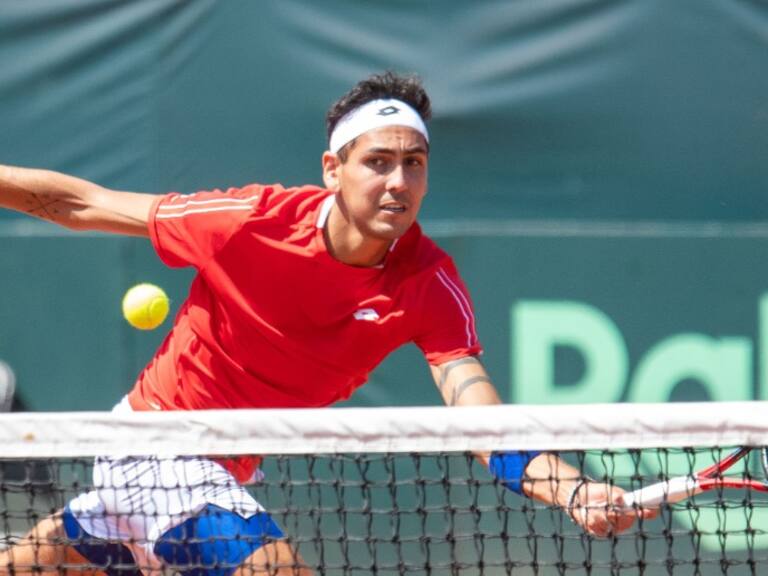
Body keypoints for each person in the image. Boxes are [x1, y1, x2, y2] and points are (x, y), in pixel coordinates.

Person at [0, 72, 651, 576]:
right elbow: (81, 203)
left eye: (414, 163)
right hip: (154, 444)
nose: (398, 182)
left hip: (222, 467)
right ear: (332, 169)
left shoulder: (429, 281)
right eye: (378, 162)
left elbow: (478, 418)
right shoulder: (249, 223)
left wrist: (574, 491)